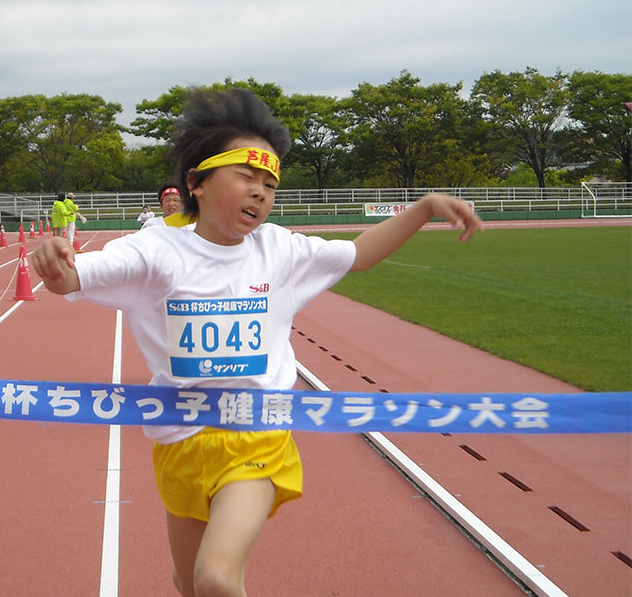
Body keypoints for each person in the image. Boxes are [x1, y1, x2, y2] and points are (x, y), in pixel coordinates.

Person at [30, 88, 482, 597]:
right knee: (189, 583)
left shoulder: (280, 251)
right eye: (246, 177)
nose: (260, 192)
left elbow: (358, 254)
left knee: (217, 577)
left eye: (270, 183)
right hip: (179, 443)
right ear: (196, 182)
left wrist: (422, 208)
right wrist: (52, 261)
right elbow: (72, 277)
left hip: (257, 438)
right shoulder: (156, 251)